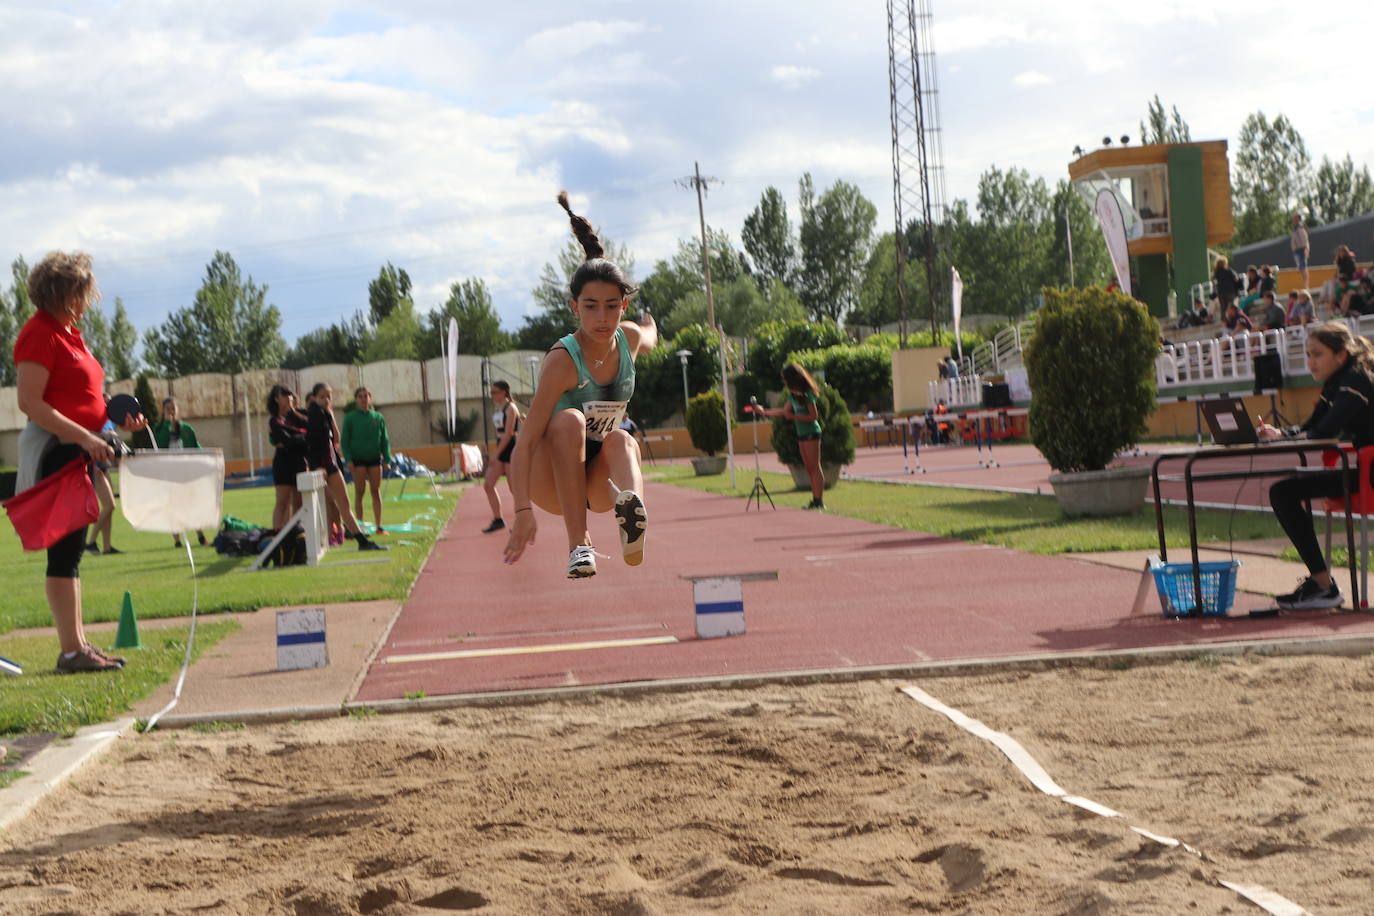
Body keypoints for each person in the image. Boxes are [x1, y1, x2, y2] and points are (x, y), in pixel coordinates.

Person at [503, 191, 657, 578]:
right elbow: (524, 445)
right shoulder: (563, 360)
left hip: (597, 479)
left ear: (623, 306)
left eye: (611, 306)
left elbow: (649, 337)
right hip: (551, 478)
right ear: (575, 307)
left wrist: (650, 326)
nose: (602, 317)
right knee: (569, 419)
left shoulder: (629, 339)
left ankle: (632, 514)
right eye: (590, 306)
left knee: (623, 440)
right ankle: (579, 546)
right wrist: (522, 510)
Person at [14, 251, 146, 673]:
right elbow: (31, 403)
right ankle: (71, 651)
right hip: (58, 453)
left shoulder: (71, 334)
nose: (87, 299)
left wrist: (114, 421)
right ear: (62, 293)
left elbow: (83, 401)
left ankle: (79, 645)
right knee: (65, 553)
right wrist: (87, 438)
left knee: (71, 553)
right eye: (81, 292)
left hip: (80, 452)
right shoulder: (39, 333)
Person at [1258, 322, 1374, 609]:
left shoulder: (1356, 380)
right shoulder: (1337, 382)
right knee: (1284, 491)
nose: (1311, 362)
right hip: (1366, 470)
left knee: (1283, 492)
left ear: (1341, 354)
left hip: (1370, 475)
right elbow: (1311, 427)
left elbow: (1325, 431)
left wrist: (1289, 439)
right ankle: (1322, 585)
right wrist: (1279, 434)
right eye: (1308, 354)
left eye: (1317, 354)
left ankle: (1323, 587)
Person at [305, 382, 387, 551]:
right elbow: (311, 443)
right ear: (314, 398)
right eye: (322, 397)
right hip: (323, 466)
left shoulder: (324, 413)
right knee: (329, 504)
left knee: (343, 504)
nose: (326, 400)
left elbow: (336, 438)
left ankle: (360, 541)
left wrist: (330, 415)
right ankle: (326, 539)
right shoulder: (313, 414)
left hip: (331, 463)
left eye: (329, 396)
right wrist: (317, 466)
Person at [758, 363, 825, 510]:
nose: (785, 382)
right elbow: (784, 411)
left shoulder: (807, 394)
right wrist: (764, 412)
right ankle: (815, 499)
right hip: (801, 434)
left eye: (786, 379)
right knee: (809, 468)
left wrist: (794, 417)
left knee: (814, 467)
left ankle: (819, 501)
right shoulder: (793, 395)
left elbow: (813, 416)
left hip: (811, 432)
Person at [152, 396, 208, 548]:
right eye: (167, 409)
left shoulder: (186, 429)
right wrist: (167, 425)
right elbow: (159, 446)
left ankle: (200, 535)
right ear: (162, 411)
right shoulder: (159, 428)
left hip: (186, 474)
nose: (171, 411)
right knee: (173, 507)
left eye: (173, 408)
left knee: (192, 505)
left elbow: (196, 448)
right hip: (169, 475)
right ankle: (177, 540)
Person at [342, 386, 391, 535]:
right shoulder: (350, 418)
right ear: (356, 399)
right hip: (358, 461)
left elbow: (384, 440)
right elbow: (345, 441)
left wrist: (387, 459)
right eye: (360, 396)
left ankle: (379, 526)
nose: (363, 399)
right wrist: (348, 459)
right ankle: (360, 526)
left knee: (375, 491)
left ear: (370, 398)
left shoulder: (378, 417)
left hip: (375, 459)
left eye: (366, 396)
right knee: (360, 492)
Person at [481, 380, 521, 534]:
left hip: (510, 447)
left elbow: (509, 433)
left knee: (514, 488)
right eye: (491, 392)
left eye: (494, 392)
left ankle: (520, 521)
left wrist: (496, 454)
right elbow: (499, 432)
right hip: (501, 445)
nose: (492, 395)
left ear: (504, 392)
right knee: (488, 485)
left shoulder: (511, 408)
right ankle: (498, 520)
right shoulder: (498, 408)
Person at [267, 384, 308, 531]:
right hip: (284, 463)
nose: (289, 397)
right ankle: (277, 535)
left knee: (299, 501)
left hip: (300, 461)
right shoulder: (274, 420)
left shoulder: (298, 416)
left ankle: (296, 533)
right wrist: (304, 435)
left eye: (290, 394)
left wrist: (299, 435)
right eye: (284, 394)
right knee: (283, 502)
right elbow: (287, 440)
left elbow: (312, 430)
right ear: (276, 399)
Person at [1291, 213, 1311, 289]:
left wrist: (1306, 249)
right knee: (1301, 268)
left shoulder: (1300, 227)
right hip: (1297, 250)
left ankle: (1306, 286)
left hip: (1301, 250)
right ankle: (1305, 285)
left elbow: (1305, 239)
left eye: (1295, 218)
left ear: (1298, 219)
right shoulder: (1295, 228)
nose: (1293, 219)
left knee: (1303, 268)